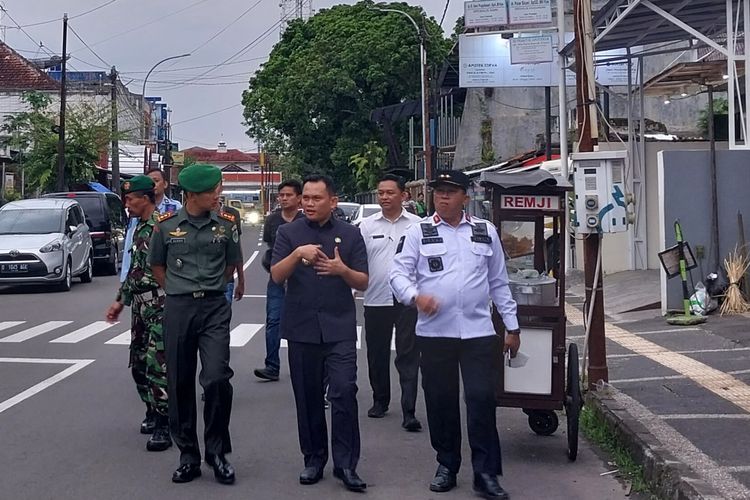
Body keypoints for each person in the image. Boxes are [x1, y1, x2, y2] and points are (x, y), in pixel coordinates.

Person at [390, 170, 521, 500]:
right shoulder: (419, 232)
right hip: (435, 334)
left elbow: (499, 283)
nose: (443, 197)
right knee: (440, 401)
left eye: (450, 191)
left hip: (478, 333)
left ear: (466, 196)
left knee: (481, 399)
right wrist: (415, 297)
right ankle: (447, 464)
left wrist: (512, 326)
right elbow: (397, 274)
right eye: (439, 191)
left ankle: (486, 474)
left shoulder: (484, 231)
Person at [271, 174, 369, 493]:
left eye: (316, 198)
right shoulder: (289, 233)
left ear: (333, 201)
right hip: (301, 329)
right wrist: (298, 254)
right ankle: (313, 458)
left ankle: (346, 464)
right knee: (308, 397)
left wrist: (342, 271)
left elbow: (363, 281)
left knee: (343, 391)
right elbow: (275, 276)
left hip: (339, 328)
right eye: (306, 199)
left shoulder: (351, 234)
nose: (309, 204)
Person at [149, 164, 243, 485]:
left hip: (215, 307)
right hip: (179, 307)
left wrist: (212, 286)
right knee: (179, 381)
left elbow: (232, 264)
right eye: (211, 191)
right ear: (191, 195)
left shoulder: (227, 223)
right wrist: (179, 289)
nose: (217, 195)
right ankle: (188, 454)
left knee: (217, 377)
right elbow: (157, 266)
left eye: (218, 189)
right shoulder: (164, 226)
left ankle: (217, 452)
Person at [104, 175, 171, 452]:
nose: (126, 204)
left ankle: (166, 424)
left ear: (146, 199)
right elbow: (135, 270)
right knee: (140, 364)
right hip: (141, 307)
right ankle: (151, 411)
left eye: (130, 199)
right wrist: (120, 301)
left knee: (159, 367)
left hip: (161, 306)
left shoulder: (163, 227)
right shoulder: (139, 226)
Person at [358, 174, 422, 431]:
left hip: (408, 300)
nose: (384, 197)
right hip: (376, 297)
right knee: (377, 353)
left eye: (389, 192)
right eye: (380, 192)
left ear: (403, 195)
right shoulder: (366, 226)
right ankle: (380, 400)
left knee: (408, 355)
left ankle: (410, 410)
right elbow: (357, 260)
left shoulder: (418, 225)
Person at [254, 179, 303, 381]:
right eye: (281, 195)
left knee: (300, 324)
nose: (283, 198)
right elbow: (270, 247)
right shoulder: (273, 220)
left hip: (302, 280)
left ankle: (300, 366)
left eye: (288, 195)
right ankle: (272, 365)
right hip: (277, 278)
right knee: (274, 320)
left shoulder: (305, 220)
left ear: (299, 198)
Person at [119, 168, 181, 286]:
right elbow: (131, 244)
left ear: (165, 183)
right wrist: (125, 277)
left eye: (156, 181)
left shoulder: (174, 208)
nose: (127, 205)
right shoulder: (136, 214)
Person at [218, 193, 245, 304]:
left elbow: (236, 250)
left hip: (225, 279)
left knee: (223, 317)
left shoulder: (232, 214)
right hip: (198, 283)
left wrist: (241, 280)